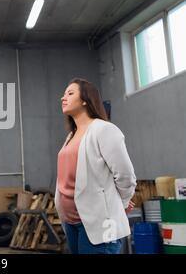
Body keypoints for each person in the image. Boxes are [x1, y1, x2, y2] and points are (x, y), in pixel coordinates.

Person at [55, 78, 137, 254]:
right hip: (72, 223)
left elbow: (125, 176)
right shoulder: (71, 136)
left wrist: (118, 204)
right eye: (63, 94)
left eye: (70, 93)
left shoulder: (104, 129)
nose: (63, 98)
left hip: (100, 223)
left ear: (85, 100)